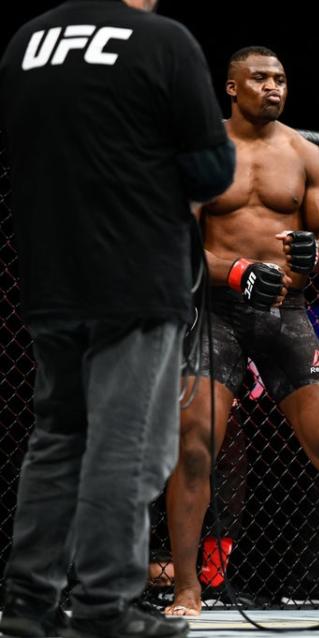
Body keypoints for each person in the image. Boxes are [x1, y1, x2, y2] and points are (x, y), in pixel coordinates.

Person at [0, 0, 235, 636]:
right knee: (126, 444)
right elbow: (214, 170)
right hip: (134, 273)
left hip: (51, 271)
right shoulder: (160, 40)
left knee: (59, 436)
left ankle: (27, 605)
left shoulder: (28, 40)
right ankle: (105, 606)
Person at [162, 46, 319, 617]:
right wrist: (236, 269)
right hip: (215, 310)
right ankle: (187, 588)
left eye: (281, 78)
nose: (273, 87)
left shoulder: (304, 154)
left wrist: (314, 253)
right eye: (260, 78)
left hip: (288, 311)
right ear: (232, 88)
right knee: (195, 451)